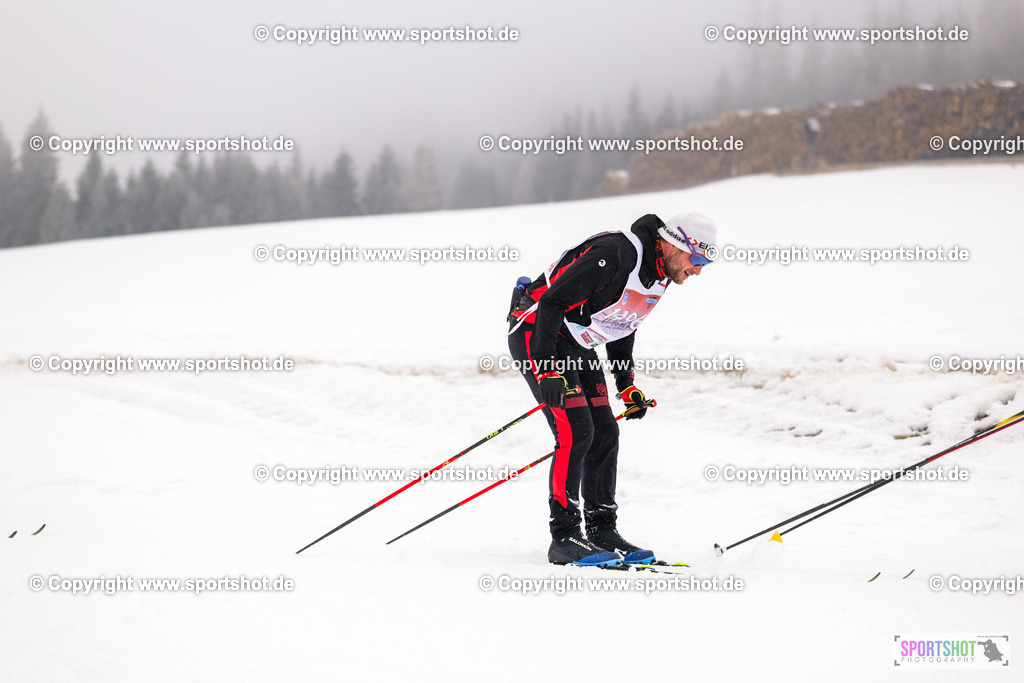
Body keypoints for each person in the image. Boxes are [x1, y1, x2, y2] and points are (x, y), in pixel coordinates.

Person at [506, 211, 717, 566]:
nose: (697, 270)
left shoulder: (660, 274)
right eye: (697, 260)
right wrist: (547, 370)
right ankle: (565, 536)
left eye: (705, 264)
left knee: (606, 431)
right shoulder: (616, 254)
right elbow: (553, 303)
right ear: (674, 243)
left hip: (576, 342)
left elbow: (625, 322)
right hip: (537, 331)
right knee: (576, 432)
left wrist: (626, 385)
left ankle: (602, 529)